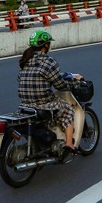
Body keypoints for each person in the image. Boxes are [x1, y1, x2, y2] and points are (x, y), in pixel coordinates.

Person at [17, 30, 82, 160]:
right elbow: (60, 85)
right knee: (68, 110)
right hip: (43, 103)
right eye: (48, 43)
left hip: (25, 104)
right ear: (45, 45)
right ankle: (69, 145)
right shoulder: (48, 62)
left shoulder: (26, 60)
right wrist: (73, 84)